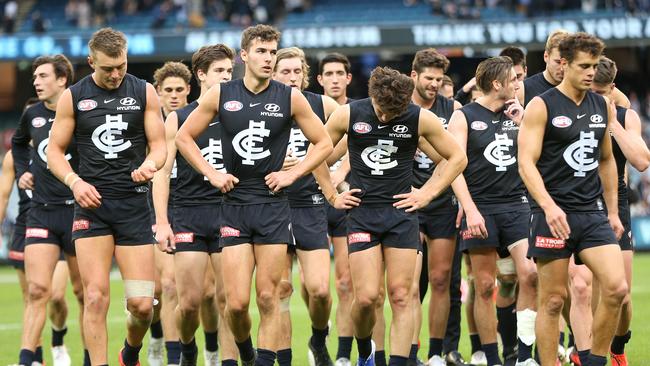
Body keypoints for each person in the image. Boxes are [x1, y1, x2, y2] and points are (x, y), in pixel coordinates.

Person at [175, 24, 333, 366]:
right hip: (233, 206)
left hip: (273, 207)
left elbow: (324, 143)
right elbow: (183, 137)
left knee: (268, 296)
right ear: (244, 55)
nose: (268, 57)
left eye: (273, 51)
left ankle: (262, 360)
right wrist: (212, 173)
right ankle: (246, 351)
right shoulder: (220, 94)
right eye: (261, 51)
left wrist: (293, 173)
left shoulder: (290, 97)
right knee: (235, 304)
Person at [314, 66, 467, 366]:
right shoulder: (349, 114)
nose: (385, 118)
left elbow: (456, 157)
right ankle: (364, 353)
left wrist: (427, 192)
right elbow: (318, 153)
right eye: (382, 111)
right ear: (372, 97)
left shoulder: (419, 117)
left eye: (393, 113)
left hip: (401, 214)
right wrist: (332, 196)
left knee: (401, 295)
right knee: (368, 298)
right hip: (362, 214)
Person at [47, 27, 167, 366]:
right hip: (92, 207)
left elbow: (159, 145)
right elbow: (54, 152)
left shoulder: (144, 92)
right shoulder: (73, 96)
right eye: (107, 68)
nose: (116, 74)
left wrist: (150, 164)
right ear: (90, 62)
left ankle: (129, 351)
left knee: (143, 305)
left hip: (133, 207)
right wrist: (74, 181)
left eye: (122, 66)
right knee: (95, 296)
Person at [518, 32, 628, 366]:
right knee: (552, 301)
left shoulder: (600, 104)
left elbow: (607, 159)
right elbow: (525, 162)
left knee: (617, 288)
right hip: (553, 215)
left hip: (592, 214)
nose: (591, 72)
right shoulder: (541, 105)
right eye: (584, 66)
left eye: (594, 66)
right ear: (563, 64)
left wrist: (612, 211)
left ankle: (593, 361)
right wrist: (548, 206)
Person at [448, 56, 537, 366]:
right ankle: (492, 359)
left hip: (517, 204)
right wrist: (469, 209)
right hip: (481, 208)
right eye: (513, 78)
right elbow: (453, 169)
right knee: (485, 286)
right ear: (497, 84)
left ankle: (525, 355)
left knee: (531, 274)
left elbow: (542, 156)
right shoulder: (464, 117)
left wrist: (523, 123)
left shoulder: (520, 113)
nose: (517, 83)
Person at [153, 44, 239, 366]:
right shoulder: (179, 119)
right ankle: (188, 351)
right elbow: (162, 174)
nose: (227, 77)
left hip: (230, 212)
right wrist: (162, 222)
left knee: (229, 299)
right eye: (220, 71)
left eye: (230, 72)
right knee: (189, 302)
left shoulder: (239, 113)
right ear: (201, 75)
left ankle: (227, 359)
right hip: (188, 212)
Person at [12, 54, 86, 366]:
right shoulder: (32, 116)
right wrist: (21, 172)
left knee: (84, 293)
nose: (37, 82)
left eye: (43, 76)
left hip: (78, 213)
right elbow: (17, 144)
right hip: (41, 211)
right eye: (35, 78)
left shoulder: (82, 111)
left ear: (62, 80)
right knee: (38, 290)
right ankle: (27, 359)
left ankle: (89, 359)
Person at [272, 46, 339, 366]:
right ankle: (284, 359)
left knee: (320, 291)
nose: (292, 77)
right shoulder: (257, 105)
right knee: (281, 289)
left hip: (310, 203)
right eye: (285, 71)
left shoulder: (322, 104)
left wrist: (334, 173)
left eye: (297, 71)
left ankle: (318, 336)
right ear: (272, 73)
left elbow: (354, 138)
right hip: (272, 203)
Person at [589, 56, 650, 366]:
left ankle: (618, 343)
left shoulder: (626, 117)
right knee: (584, 285)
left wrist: (611, 122)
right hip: (580, 203)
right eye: (590, 91)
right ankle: (587, 352)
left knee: (622, 294)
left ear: (612, 89)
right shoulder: (575, 112)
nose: (594, 98)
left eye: (600, 93)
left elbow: (641, 161)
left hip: (617, 203)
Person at [408, 48, 465, 366]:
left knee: (442, 279)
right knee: (411, 282)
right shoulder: (400, 106)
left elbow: (456, 161)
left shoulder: (452, 109)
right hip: (407, 203)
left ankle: (434, 353)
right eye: (428, 78)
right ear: (413, 75)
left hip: (442, 201)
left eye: (439, 79)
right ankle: (411, 350)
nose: (433, 84)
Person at [148, 60, 192, 366]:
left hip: (191, 205)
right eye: (168, 91)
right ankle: (159, 340)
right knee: (163, 286)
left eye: (179, 90)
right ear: (158, 94)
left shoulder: (196, 121)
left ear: (189, 91)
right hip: (154, 209)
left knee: (199, 292)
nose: (174, 95)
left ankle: (208, 349)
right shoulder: (146, 126)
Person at [317, 52, 356, 366]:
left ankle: (342, 355)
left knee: (345, 283)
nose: (333, 78)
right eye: (327, 74)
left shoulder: (360, 113)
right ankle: (319, 331)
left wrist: (339, 177)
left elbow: (357, 148)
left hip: (346, 202)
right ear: (319, 80)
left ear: (348, 79)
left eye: (338, 73)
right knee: (308, 287)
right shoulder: (309, 109)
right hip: (308, 202)